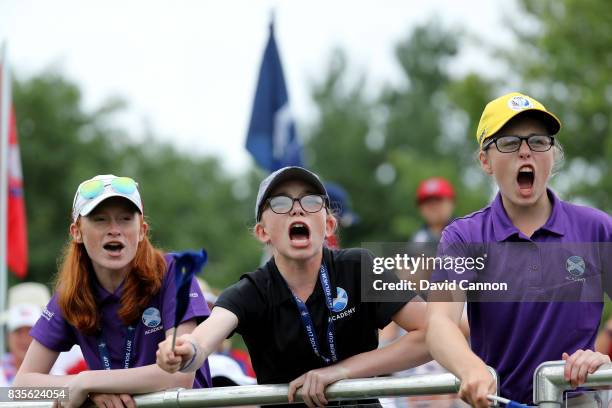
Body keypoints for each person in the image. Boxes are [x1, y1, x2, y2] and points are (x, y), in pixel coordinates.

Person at [157, 166, 431, 408]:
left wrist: (341, 371)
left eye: (311, 201)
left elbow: (432, 336)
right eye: (280, 202)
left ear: (329, 225)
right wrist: (185, 351)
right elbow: (202, 342)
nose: (297, 208)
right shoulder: (251, 290)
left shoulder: (360, 265)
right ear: (262, 232)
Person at [426, 92, 612, 407]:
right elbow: (439, 323)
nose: (525, 152)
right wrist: (470, 367)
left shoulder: (596, 228)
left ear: (553, 155)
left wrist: (601, 358)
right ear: (485, 160)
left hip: (579, 400)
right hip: (497, 400)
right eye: (510, 142)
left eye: (539, 141)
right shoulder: (464, 236)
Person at [14, 174, 211, 408]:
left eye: (126, 219)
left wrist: (89, 382)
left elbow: (180, 375)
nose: (114, 230)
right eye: (100, 219)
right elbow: (19, 391)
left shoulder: (175, 272)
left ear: (142, 231)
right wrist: (82, 390)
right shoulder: (69, 294)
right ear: (76, 232)